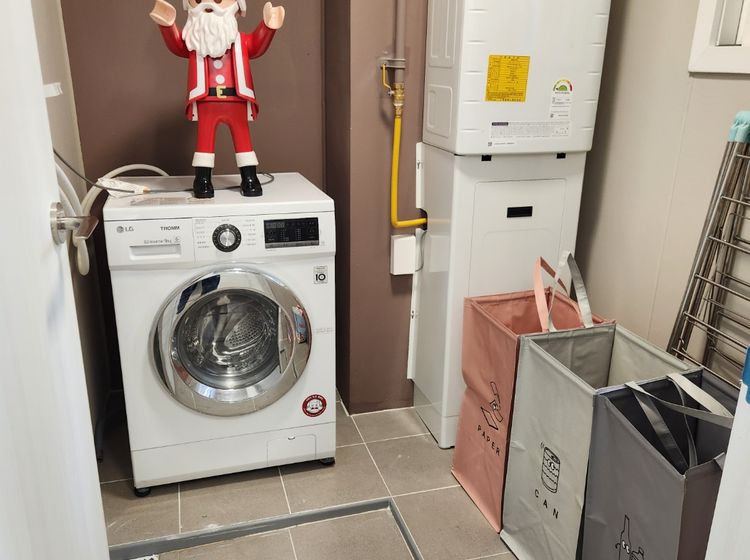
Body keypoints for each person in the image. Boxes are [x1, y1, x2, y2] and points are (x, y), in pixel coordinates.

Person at [149, 0, 285, 198]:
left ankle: (249, 178)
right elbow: (178, 45)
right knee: (204, 141)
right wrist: (167, 24)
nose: (208, 4)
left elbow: (257, 45)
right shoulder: (195, 41)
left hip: (236, 99)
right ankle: (202, 180)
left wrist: (268, 26)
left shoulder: (241, 41)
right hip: (207, 100)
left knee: (243, 140)